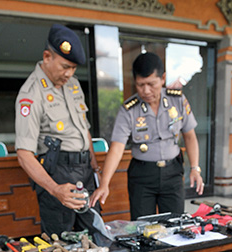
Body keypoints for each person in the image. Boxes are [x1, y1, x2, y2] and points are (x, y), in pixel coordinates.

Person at [14, 24, 103, 237]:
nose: (69, 73)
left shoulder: (72, 85)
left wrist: (95, 168)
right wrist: (54, 189)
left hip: (85, 172)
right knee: (61, 243)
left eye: (73, 68)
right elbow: (24, 154)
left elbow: (84, 129)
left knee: (96, 237)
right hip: (58, 174)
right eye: (65, 66)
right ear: (47, 56)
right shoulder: (30, 94)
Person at [92, 52, 204, 220]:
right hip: (142, 176)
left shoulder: (178, 100)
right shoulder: (129, 110)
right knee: (143, 229)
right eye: (140, 85)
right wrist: (104, 183)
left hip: (173, 173)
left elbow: (190, 136)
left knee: (176, 225)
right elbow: (117, 148)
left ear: (163, 78)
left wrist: (195, 168)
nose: (146, 91)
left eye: (151, 84)